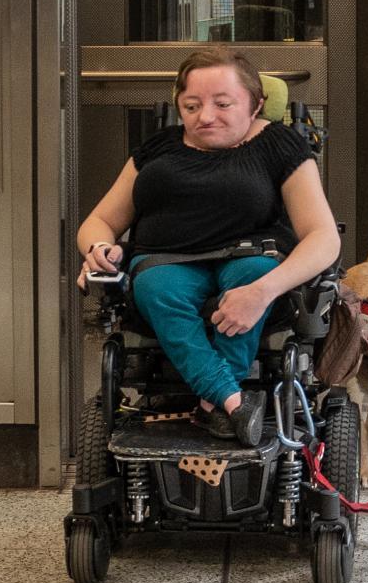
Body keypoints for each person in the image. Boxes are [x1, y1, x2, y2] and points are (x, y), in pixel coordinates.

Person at [75, 46, 341, 447]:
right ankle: (229, 404)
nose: (206, 117)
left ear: (256, 104)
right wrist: (98, 246)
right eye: (192, 105)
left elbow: (323, 237)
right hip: (166, 261)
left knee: (253, 274)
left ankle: (216, 404)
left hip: (251, 259)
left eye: (223, 103)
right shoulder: (158, 148)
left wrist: (261, 292)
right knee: (155, 288)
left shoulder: (280, 146)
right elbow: (101, 221)